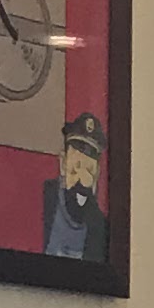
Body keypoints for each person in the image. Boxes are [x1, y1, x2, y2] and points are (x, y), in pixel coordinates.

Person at [40, 111, 109, 263]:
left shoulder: (98, 224)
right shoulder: (43, 198)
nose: (81, 180)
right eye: (76, 168)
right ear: (63, 164)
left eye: (89, 171)